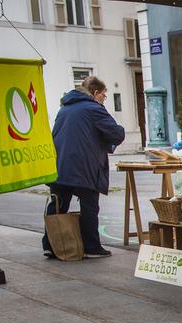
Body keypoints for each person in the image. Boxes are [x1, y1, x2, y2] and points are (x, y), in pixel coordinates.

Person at [43, 76, 125, 258]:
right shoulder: (94, 108)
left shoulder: (64, 109)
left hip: (60, 165)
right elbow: (116, 133)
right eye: (104, 95)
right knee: (89, 205)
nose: (104, 98)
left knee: (58, 204)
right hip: (84, 166)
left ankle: (50, 244)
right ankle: (91, 247)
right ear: (95, 93)